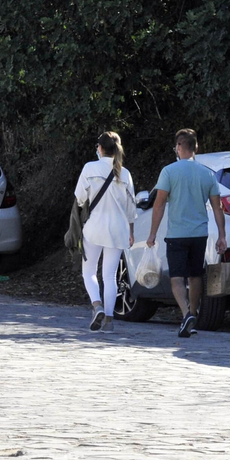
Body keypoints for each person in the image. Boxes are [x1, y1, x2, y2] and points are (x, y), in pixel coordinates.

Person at [146, 128, 227, 338]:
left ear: (180, 147)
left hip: (177, 235)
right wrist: (222, 235)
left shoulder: (169, 171)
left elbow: (159, 204)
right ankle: (193, 314)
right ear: (196, 147)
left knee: (176, 278)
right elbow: (218, 207)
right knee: (195, 276)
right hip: (199, 234)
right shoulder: (207, 173)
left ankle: (185, 315)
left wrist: (152, 234)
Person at [74, 132, 137, 332]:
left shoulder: (89, 168)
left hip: (94, 227)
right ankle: (109, 320)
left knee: (89, 272)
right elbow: (131, 209)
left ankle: (96, 305)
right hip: (118, 230)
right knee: (110, 276)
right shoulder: (125, 173)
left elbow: (80, 198)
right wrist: (131, 232)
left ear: (100, 148)